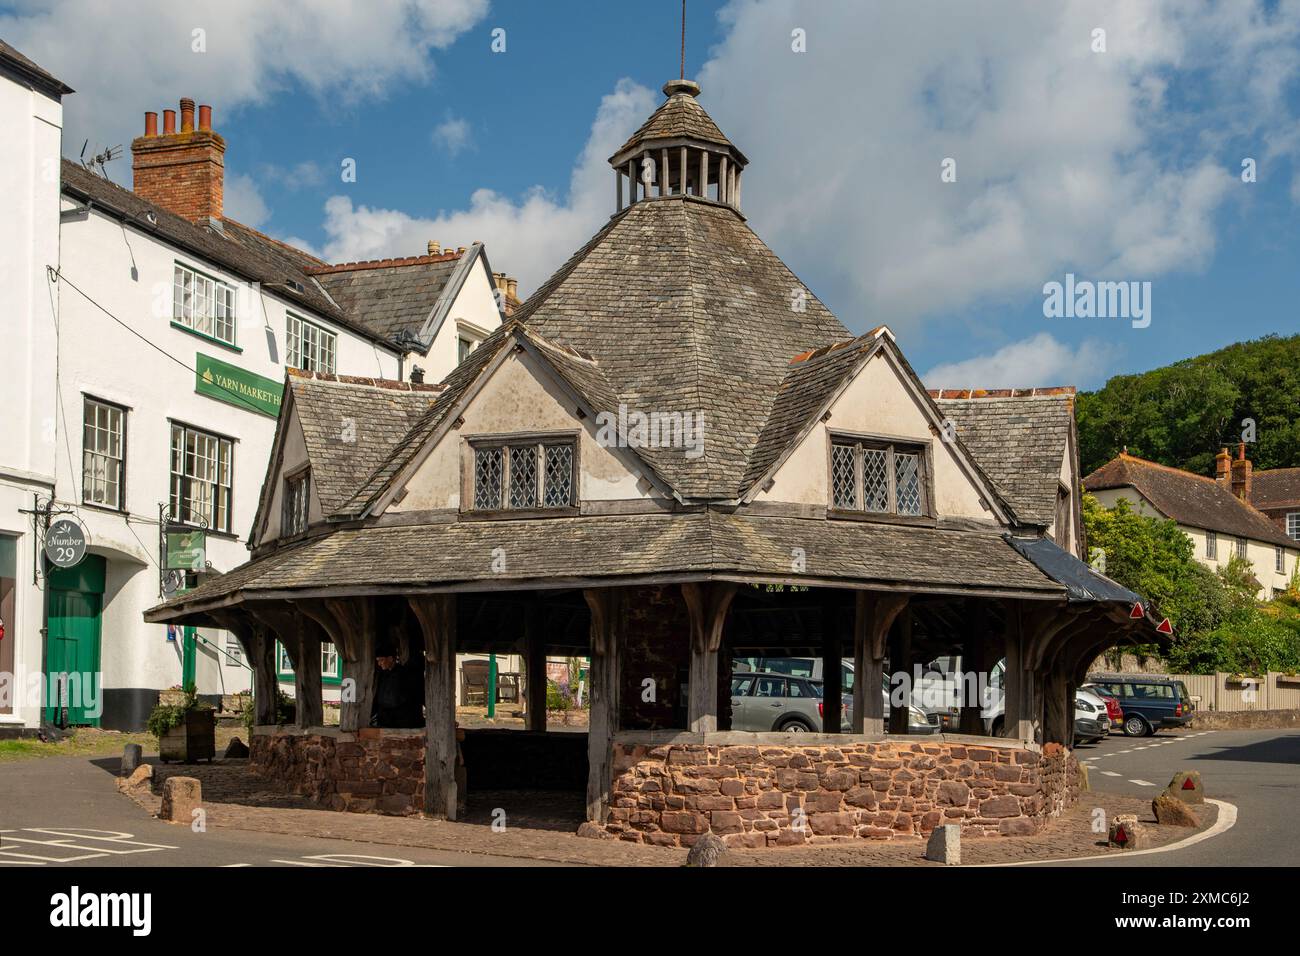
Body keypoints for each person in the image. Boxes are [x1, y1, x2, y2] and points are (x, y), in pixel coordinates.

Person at [370, 636, 424, 728]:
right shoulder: (382, 676)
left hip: (401, 724)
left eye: (381, 660)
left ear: (390, 659)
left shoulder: (405, 674)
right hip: (384, 723)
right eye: (378, 661)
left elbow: (415, 696)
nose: (379, 664)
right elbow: (378, 699)